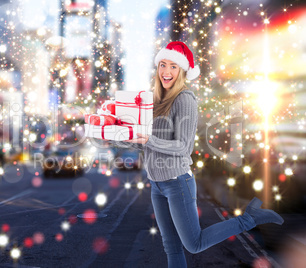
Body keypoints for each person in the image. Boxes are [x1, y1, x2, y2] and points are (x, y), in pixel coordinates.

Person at [108, 41, 284, 268]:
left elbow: (182, 146)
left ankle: (249, 218)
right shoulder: (155, 101)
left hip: (177, 182)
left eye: (173, 66)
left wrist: (148, 138)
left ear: (182, 70)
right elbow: (151, 145)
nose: (166, 71)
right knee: (170, 246)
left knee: (194, 243)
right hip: (157, 185)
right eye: (163, 65)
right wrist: (120, 136)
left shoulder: (185, 99)